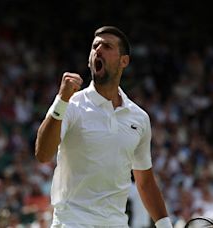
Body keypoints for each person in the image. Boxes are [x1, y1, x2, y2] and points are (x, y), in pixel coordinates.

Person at [35, 26, 172, 227]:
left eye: (107, 46)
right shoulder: (70, 105)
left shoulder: (139, 118)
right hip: (72, 222)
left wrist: (165, 225)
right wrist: (61, 101)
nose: (98, 50)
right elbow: (42, 154)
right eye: (94, 46)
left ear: (124, 61)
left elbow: (145, 180)